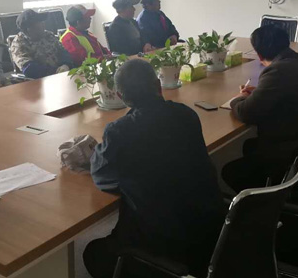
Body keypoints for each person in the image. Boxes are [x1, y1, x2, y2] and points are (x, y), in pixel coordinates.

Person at [84, 59, 225, 278]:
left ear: (121, 96)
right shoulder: (186, 114)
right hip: (210, 232)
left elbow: (102, 176)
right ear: (158, 85)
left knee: (93, 253)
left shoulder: (120, 131)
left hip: (165, 245)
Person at [221, 25, 298, 192]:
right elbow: (289, 90)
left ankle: (266, 200)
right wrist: (259, 92)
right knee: (249, 145)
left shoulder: (278, 70)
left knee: (230, 171)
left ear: (259, 55)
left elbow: (246, 113)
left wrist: (238, 98)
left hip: (297, 146)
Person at [9, 9, 72, 79]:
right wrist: (55, 71)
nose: (43, 24)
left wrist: (66, 64)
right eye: (39, 22)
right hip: (40, 80)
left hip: (62, 74)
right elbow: (29, 69)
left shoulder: (48, 35)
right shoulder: (19, 44)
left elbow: (63, 51)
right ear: (28, 28)